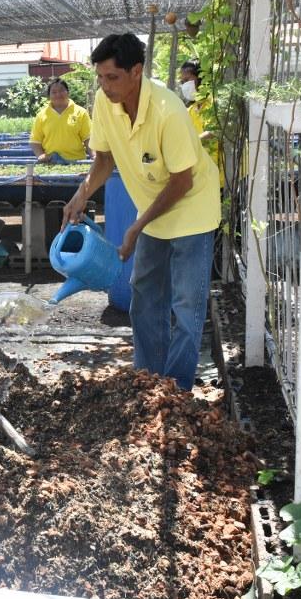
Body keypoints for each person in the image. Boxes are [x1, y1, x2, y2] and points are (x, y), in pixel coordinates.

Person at [63, 33, 220, 391]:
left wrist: (137, 226)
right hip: (153, 209)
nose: (104, 86)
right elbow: (103, 159)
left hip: (192, 210)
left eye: (112, 77)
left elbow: (182, 181)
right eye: (100, 77)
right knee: (145, 296)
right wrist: (81, 195)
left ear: (137, 71)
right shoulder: (105, 103)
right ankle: (149, 384)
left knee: (185, 305)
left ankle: (176, 392)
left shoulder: (168, 111)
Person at [179, 60, 225, 189]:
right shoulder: (190, 111)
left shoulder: (215, 102)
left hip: (227, 173)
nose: (184, 85)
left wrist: (191, 142)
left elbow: (214, 131)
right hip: (205, 175)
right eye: (182, 82)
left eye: (187, 80)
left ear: (200, 78)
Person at [30, 77, 91, 164]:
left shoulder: (81, 112)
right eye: (54, 92)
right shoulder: (41, 115)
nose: (58, 94)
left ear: (68, 92)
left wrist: (94, 155)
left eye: (62, 90)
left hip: (77, 162)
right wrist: (40, 155)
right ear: (49, 96)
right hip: (50, 162)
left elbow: (88, 138)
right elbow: (35, 141)